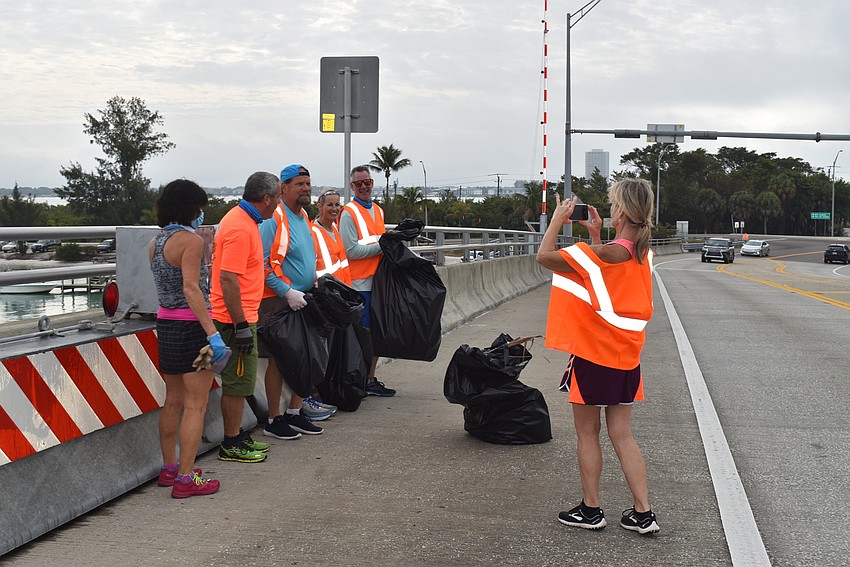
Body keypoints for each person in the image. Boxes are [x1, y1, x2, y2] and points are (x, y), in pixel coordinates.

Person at [536, 179, 660, 535]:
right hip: (627, 356)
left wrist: (558, 220)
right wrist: (595, 236)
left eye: (611, 204)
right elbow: (606, 279)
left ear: (620, 211)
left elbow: (544, 258)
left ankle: (591, 510)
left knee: (587, 433)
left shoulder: (603, 254)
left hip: (593, 355)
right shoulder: (643, 253)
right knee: (622, 433)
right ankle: (643, 512)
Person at [150, 179, 222, 498]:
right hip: (194, 329)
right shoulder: (191, 242)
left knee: (173, 399)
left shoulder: (155, 242)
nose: (202, 213)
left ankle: (169, 468)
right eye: (200, 207)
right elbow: (191, 289)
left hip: (166, 325)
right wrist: (213, 333)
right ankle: (186, 478)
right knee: (197, 404)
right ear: (191, 208)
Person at [210, 171, 281, 463]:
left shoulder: (245, 220)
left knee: (241, 381)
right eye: (277, 197)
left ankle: (236, 434)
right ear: (266, 199)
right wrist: (240, 325)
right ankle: (231, 442)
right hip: (233, 319)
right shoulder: (240, 227)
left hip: (240, 315)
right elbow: (228, 279)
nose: (277, 204)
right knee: (238, 381)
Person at [260, 164, 330, 441]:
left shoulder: (302, 217)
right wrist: (286, 291)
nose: (306, 188)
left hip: (303, 299)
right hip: (278, 301)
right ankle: (274, 418)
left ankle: (295, 412)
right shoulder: (274, 219)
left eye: (308, 183)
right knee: (279, 361)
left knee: (306, 356)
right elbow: (263, 264)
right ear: (283, 188)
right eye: (299, 184)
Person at [338, 165, 395, 397]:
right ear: (352, 186)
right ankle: (359, 380)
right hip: (358, 285)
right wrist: (383, 246)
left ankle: (369, 379)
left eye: (367, 183)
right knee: (363, 336)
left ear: (372, 184)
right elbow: (350, 250)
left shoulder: (378, 211)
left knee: (376, 334)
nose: (363, 187)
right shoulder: (348, 213)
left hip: (378, 283)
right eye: (358, 184)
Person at [312, 188, 352, 285]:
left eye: (337, 205)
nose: (334, 208)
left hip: (341, 288)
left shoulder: (334, 227)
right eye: (330, 205)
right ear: (320, 206)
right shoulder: (313, 232)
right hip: (326, 292)